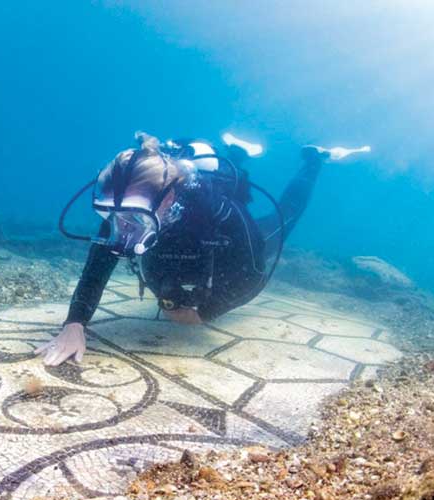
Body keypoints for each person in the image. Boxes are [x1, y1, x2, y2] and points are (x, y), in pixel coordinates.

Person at [37, 132, 367, 366]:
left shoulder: (218, 210)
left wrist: (205, 313)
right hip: (177, 246)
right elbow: (97, 267)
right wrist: (74, 324)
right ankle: (237, 151)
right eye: (109, 216)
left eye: (132, 220)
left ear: (168, 200)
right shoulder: (127, 210)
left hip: (233, 240)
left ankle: (314, 161)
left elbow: (253, 276)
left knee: (285, 219)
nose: (122, 230)